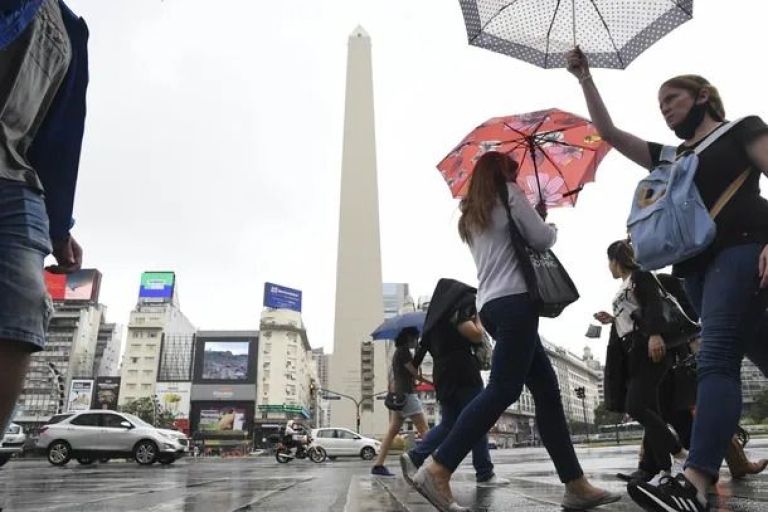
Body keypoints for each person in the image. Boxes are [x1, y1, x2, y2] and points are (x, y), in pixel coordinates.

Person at [567, 47, 768, 512]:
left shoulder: (742, 129)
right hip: (696, 269)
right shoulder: (673, 156)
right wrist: (585, 79)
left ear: (702, 97)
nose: (665, 108)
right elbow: (611, 134)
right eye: (660, 105)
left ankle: (695, 481)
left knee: (716, 360)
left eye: (672, 99)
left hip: (741, 250)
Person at [409, 151, 620, 512]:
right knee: (504, 389)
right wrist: (544, 222)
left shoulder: (470, 214)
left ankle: (575, 484)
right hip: (517, 302)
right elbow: (541, 240)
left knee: (548, 393)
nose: (518, 176)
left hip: (491, 306)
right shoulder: (507, 193)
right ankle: (439, 467)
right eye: (513, 170)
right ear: (500, 172)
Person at [0, 0, 89, 443]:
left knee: (21, 307)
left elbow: (61, 137)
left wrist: (59, 225)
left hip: (14, 173)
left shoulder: (72, 31)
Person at [595, 241, 689, 482]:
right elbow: (632, 317)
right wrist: (611, 318)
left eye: (609, 262)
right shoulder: (623, 287)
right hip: (631, 353)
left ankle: (678, 451)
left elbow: (653, 305)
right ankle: (664, 469)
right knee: (651, 409)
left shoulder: (641, 276)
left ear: (616, 260)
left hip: (649, 348)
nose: (608, 268)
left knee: (635, 406)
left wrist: (656, 334)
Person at [400, 278, 504, 486]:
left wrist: (424, 378)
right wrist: (479, 322)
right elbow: (474, 335)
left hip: (443, 375)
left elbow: (411, 367)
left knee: (449, 423)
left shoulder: (431, 323)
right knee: (479, 418)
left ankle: (415, 456)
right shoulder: (459, 309)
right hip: (464, 371)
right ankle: (485, 473)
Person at [372, 327, 430, 477]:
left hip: (399, 397)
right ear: (409, 338)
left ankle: (378, 465)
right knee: (425, 430)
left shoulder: (398, 352)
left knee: (392, 432)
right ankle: (438, 463)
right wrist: (419, 354)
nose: (416, 341)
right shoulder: (403, 352)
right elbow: (413, 372)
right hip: (407, 396)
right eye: (415, 338)